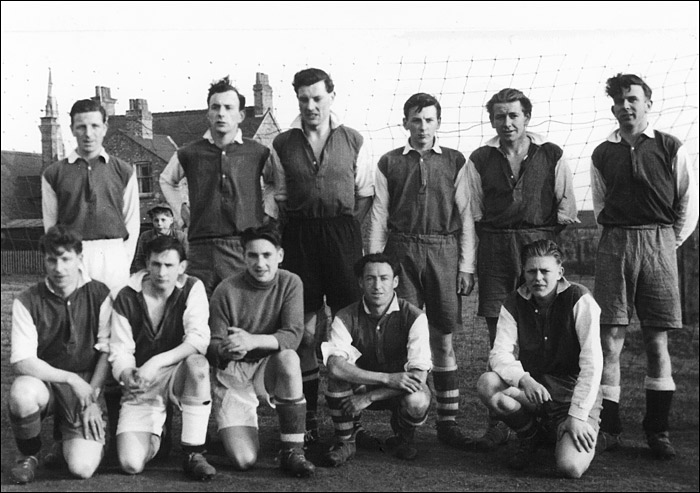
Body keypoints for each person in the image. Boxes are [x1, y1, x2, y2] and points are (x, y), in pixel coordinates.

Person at [591, 73, 698, 459]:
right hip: (616, 243)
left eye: (633, 99)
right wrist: (622, 236)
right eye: (620, 101)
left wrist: (668, 242)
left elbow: (687, 203)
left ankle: (658, 431)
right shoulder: (603, 152)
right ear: (614, 107)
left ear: (648, 104)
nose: (626, 106)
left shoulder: (670, 147)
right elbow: (601, 205)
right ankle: (610, 428)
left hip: (659, 243)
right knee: (610, 341)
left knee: (656, 341)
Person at [465, 87, 579, 450]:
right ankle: (499, 421)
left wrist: (540, 239)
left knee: (546, 329)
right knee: (499, 335)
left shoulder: (551, 153)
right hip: (497, 248)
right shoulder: (480, 158)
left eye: (514, 115)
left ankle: (547, 411)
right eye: (500, 116)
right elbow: (474, 210)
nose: (507, 122)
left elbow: (566, 207)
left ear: (527, 117)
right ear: (492, 120)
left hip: (537, 245)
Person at [368, 92, 476, 449]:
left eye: (429, 120)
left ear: (438, 124)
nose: (423, 127)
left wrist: (466, 265)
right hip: (402, 250)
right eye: (416, 120)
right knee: (405, 337)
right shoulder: (389, 163)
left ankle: (448, 423)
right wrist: (375, 262)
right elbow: (380, 214)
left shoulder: (456, 161)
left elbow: (466, 217)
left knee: (443, 338)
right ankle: (406, 429)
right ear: (405, 124)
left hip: (443, 250)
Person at [273, 68, 374, 444]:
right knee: (307, 332)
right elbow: (281, 197)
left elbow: (365, 192)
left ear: (332, 96)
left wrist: (346, 229)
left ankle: (349, 420)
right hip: (300, 237)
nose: (311, 105)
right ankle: (309, 418)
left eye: (318, 97)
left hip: (342, 234)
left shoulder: (353, 139)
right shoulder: (283, 143)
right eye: (304, 99)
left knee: (347, 327)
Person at [477, 240, 603, 478]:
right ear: (523, 272)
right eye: (531, 271)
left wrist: (577, 416)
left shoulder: (580, 299)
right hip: (536, 393)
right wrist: (524, 379)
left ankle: (567, 431)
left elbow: (593, 364)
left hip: (572, 398)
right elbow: (499, 353)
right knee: (488, 383)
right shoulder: (513, 301)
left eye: (545, 271)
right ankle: (530, 435)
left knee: (570, 467)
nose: (538, 278)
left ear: (560, 272)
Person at [207, 224, 316, 477]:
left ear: (279, 255)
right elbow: (213, 344)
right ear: (243, 256)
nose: (260, 263)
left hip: (267, 367)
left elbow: (293, 335)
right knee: (244, 460)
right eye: (252, 256)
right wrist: (226, 349)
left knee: (289, 358)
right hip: (234, 370)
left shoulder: (290, 282)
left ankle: (292, 450)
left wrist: (252, 341)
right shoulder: (226, 289)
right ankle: (227, 433)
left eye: (267, 255)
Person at [8, 226, 112, 484]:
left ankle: (69, 438)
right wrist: (69, 379)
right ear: (43, 260)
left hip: (89, 384)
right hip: (50, 382)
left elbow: (107, 351)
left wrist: (92, 397)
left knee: (82, 468)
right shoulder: (27, 300)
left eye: (66, 259)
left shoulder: (100, 293)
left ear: (79, 258)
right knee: (22, 394)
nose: (59, 268)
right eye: (51, 259)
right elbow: (23, 361)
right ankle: (29, 455)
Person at [159, 75, 279, 298]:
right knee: (199, 310)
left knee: (240, 309)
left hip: (241, 245)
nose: (221, 113)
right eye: (215, 107)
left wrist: (266, 212)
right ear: (208, 114)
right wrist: (181, 211)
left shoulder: (257, 152)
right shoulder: (190, 152)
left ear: (241, 115)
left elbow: (275, 182)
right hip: (200, 247)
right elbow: (167, 180)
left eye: (228, 107)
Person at [109, 235, 216, 480]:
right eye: (156, 264)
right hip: (142, 380)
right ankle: (160, 434)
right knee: (131, 464)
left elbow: (198, 340)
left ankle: (193, 452)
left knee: (198, 365)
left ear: (182, 267)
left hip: (178, 372)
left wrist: (155, 362)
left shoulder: (192, 287)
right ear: (147, 263)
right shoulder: (125, 294)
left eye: (169, 265)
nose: (161, 272)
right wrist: (127, 373)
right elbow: (120, 350)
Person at [321, 253, 432, 465]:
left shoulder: (415, 316)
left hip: (398, 390)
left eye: (384, 278)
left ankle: (404, 437)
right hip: (362, 386)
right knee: (337, 378)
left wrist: (370, 398)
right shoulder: (345, 316)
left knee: (417, 399)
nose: (377, 285)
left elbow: (418, 377)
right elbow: (335, 366)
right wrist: (385, 378)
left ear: (395, 282)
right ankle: (346, 441)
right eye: (370, 278)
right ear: (361, 282)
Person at [42, 98, 140, 293]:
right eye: (81, 127)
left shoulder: (124, 170)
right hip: (73, 256)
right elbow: (51, 227)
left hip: (113, 255)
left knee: (114, 318)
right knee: (76, 319)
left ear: (104, 128)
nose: (88, 134)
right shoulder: (53, 174)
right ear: (72, 129)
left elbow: (132, 222)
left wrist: (122, 259)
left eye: (95, 126)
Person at [131, 202, 188, 273]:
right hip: (151, 273)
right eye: (156, 220)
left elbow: (187, 258)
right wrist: (145, 273)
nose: (159, 223)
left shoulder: (181, 236)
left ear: (171, 220)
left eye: (163, 220)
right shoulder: (146, 237)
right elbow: (139, 259)